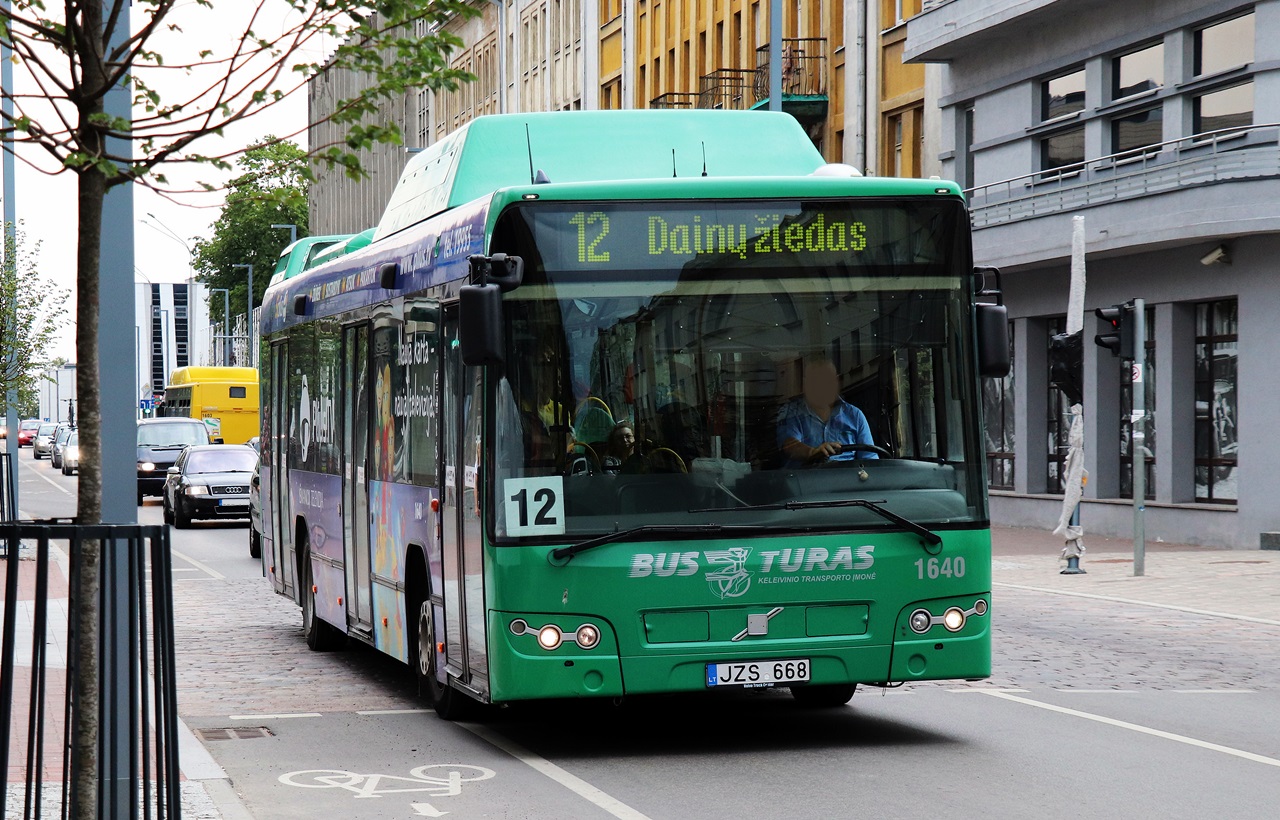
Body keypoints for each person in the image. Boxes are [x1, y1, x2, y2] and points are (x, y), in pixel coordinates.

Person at [776, 358, 878, 467]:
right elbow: (789, 446)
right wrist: (812, 453)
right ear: (806, 385)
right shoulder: (792, 413)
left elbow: (870, 461)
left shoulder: (855, 415)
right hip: (805, 480)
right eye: (816, 381)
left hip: (848, 480)